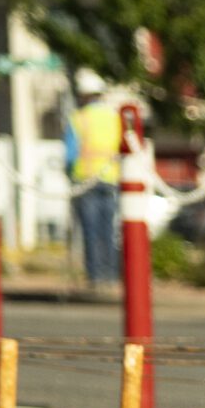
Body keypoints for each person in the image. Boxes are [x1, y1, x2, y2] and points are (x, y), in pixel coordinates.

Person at [67, 74, 124, 289]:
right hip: (111, 179)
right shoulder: (114, 118)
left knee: (90, 231)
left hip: (86, 180)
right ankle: (110, 275)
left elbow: (70, 155)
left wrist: (69, 174)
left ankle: (96, 276)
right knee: (108, 230)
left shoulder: (78, 118)